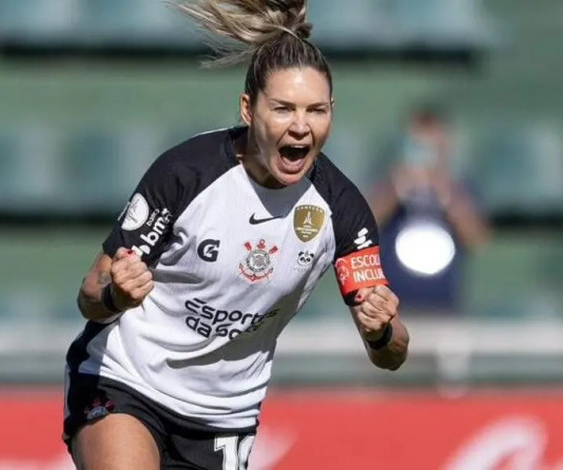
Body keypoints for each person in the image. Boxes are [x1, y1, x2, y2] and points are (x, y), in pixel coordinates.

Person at [63, 1, 409, 468]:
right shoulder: (186, 174)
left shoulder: (343, 211)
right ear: (248, 109)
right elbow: (90, 294)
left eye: (316, 110)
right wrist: (115, 296)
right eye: (283, 109)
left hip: (224, 419)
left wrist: (381, 329)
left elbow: (391, 353)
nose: (301, 127)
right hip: (127, 380)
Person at [368, 106, 490, 314]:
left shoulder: (460, 187)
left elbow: (476, 239)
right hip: (391, 305)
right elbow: (364, 227)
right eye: (418, 146)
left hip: (444, 305)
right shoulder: (387, 182)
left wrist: (446, 192)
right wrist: (396, 189)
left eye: (432, 147)